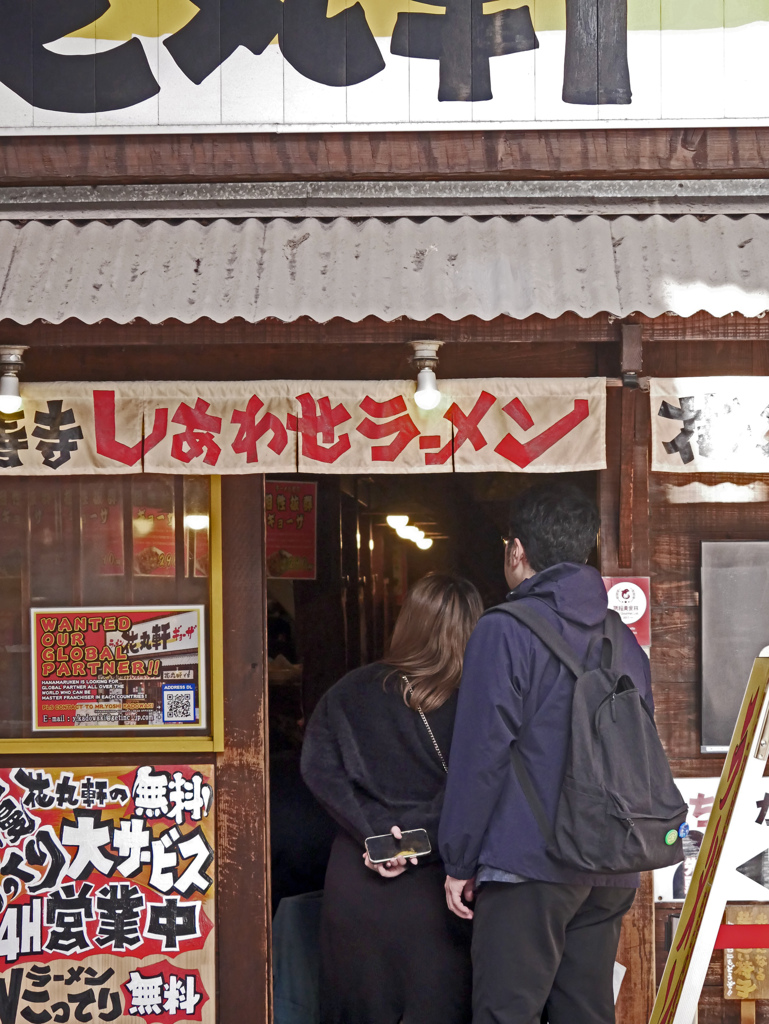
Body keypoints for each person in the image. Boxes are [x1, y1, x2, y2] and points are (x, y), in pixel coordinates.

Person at [439, 482, 653, 1024]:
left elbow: (480, 756)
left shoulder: (503, 631)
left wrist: (459, 860)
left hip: (528, 865)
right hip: (609, 867)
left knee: (506, 1013)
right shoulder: (622, 640)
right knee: (585, 1013)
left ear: (517, 551)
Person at [301, 571, 483, 1024]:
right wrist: (417, 839)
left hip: (358, 881)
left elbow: (318, 769)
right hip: (439, 891)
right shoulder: (483, 701)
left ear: (408, 621)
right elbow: (481, 786)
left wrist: (376, 834)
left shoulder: (350, 691)